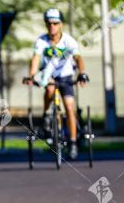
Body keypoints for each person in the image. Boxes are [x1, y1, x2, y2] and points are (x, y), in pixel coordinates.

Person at [23, 8, 89, 158]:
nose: (52, 26)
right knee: (50, 90)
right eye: (48, 23)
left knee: (69, 106)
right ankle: (47, 115)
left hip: (66, 76)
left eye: (55, 23)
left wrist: (82, 73)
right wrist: (32, 75)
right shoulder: (41, 41)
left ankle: (72, 142)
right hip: (50, 76)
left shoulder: (68, 41)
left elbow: (78, 58)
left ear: (61, 24)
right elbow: (35, 58)